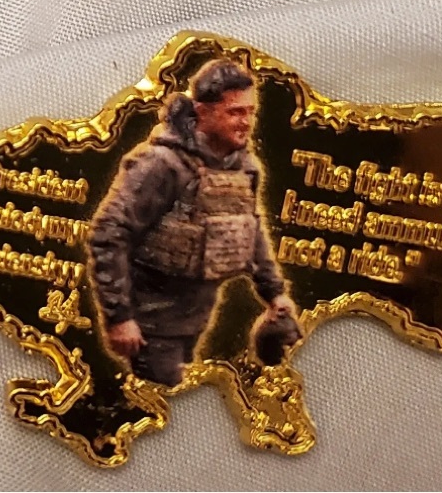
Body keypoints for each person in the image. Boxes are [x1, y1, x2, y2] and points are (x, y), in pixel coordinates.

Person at [88, 58, 300, 386]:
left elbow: (251, 229)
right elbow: (109, 233)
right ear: (203, 112)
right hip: (150, 324)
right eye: (235, 112)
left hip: (197, 319)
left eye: (250, 112)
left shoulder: (243, 167)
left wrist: (274, 293)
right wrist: (119, 317)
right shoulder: (162, 164)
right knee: (165, 399)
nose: (246, 122)